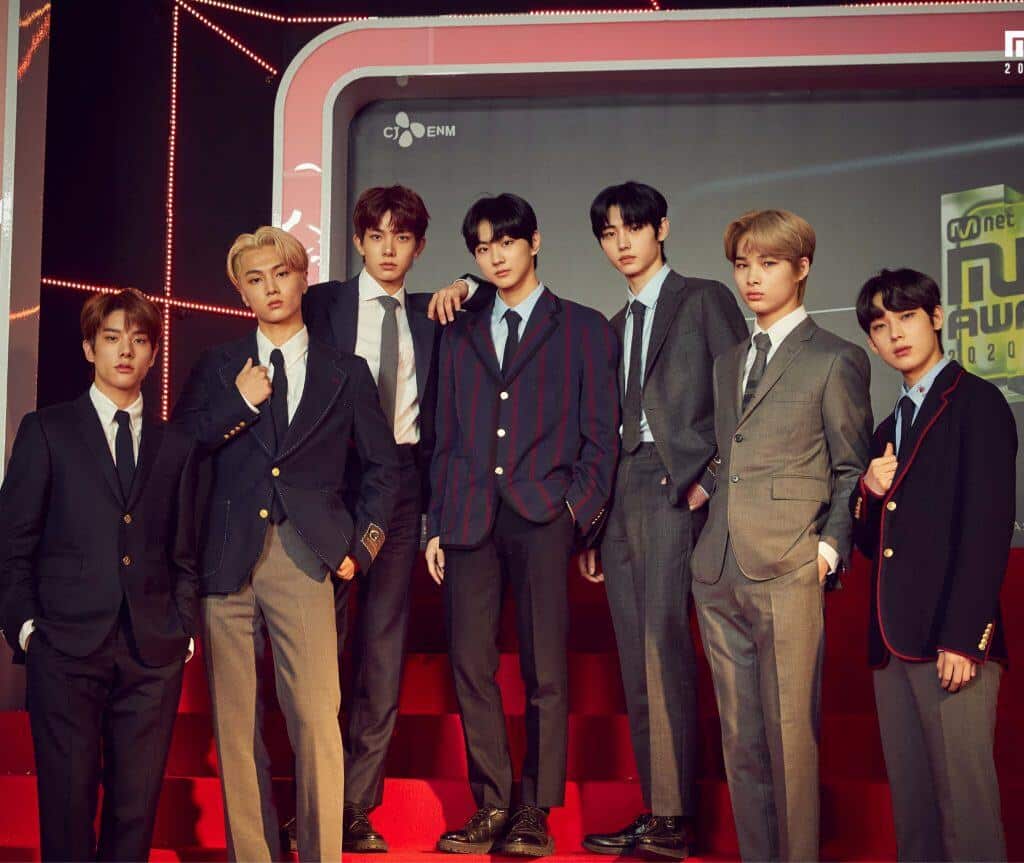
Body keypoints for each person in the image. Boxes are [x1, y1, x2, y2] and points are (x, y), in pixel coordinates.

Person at [173, 226, 398, 862]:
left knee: (317, 719)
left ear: (303, 278)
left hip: (307, 557)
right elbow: (179, 453)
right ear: (241, 293)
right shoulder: (218, 367)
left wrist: (362, 546)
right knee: (236, 725)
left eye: (281, 273)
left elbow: (384, 470)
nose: (270, 287)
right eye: (255, 279)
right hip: (227, 561)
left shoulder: (346, 372)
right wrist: (237, 406)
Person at [294, 184, 492, 853]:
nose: (387, 249)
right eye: (376, 236)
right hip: (329, 483)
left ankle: (355, 804)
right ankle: (313, 798)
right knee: (320, 647)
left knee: (382, 646)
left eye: (402, 238)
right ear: (357, 240)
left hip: (402, 485)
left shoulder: (432, 315)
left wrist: (466, 281)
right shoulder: (322, 303)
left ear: (419, 246)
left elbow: (498, 293)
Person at [425, 193, 619, 857]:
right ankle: (492, 802)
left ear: (533, 241)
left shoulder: (585, 328)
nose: (495, 257)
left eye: (505, 242)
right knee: (470, 663)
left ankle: (534, 808)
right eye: (482, 249)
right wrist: (435, 521)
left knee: (545, 668)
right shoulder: (458, 329)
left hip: (543, 516)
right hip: (467, 515)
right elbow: (444, 433)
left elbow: (602, 435)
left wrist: (576, 513)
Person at [572, 181, 748, 859]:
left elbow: (742, 394)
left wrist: (711, 478)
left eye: (634, 228)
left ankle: (674, 818)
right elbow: (601, 428)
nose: (622, 243)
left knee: (662, 646)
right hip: (622, 492)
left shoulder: (703, 299)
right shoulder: (612, 327)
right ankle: (657, 810)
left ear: (662, 229)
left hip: (678, 485)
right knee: (635, 654)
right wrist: (595, 522)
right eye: (608, 233)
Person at [690, 209, 872, 862]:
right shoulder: (728, 362)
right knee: (741, 742)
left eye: (767, 263)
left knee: (792, 738)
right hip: (718, 568)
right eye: (743, 264)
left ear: (801, 268)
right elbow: (730, 453)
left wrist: (827, 549)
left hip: (791, 564)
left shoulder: (836, 358)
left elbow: (850, 467)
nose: (752, 277)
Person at [0, 289, 198, 861]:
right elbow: (12, 544)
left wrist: (182, 629)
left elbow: (185, 552)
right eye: (112, 339)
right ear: (90, 348)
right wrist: (27, 631)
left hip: (151, 652)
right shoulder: (47, 430)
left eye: (138, 340)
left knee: (134, 812)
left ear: (154, 353)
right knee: (67, 808)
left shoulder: (176, 444)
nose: (125, 351)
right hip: (64, 647)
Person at [850, 267, 1014, 862]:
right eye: (880, 325)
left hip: (951, 643)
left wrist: (964, 638)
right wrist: (868, 491)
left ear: (936, 317)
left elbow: (987, 529)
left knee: (966, 816)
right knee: (913, 813)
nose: (895, 333)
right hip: (893, 645)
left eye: (908, 317)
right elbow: (870, 544)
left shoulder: (978, 402)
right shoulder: (886, 428)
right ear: (871, 341)